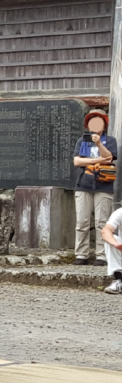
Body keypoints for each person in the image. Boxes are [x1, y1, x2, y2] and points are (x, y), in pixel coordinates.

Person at [73, 110, 117, 266]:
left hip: (104, 185)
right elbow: (77, 162)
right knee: (82, 221)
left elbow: (110, 157)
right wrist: (98, 160)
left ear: (104, 125)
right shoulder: (82, 141)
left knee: (102, 222)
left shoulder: (110, 140)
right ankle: (81, 254)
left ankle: (102, 255)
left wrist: (98, 144)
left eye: (99, 122)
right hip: (83, 184)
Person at [99, 207, 122, 295]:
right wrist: (116, 244)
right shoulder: (120, 212)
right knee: (111, 240)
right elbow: (106, 230)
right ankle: (118, 279)